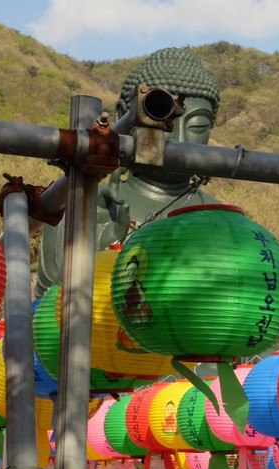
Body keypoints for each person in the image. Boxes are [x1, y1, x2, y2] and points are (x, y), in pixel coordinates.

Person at [37, 47, 222, 297]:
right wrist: (98, 242)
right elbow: (46, 308)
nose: (178, 138)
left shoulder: (225, 221)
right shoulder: (84, 206)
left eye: (197, 125)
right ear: (122, 114)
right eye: (163, 121)